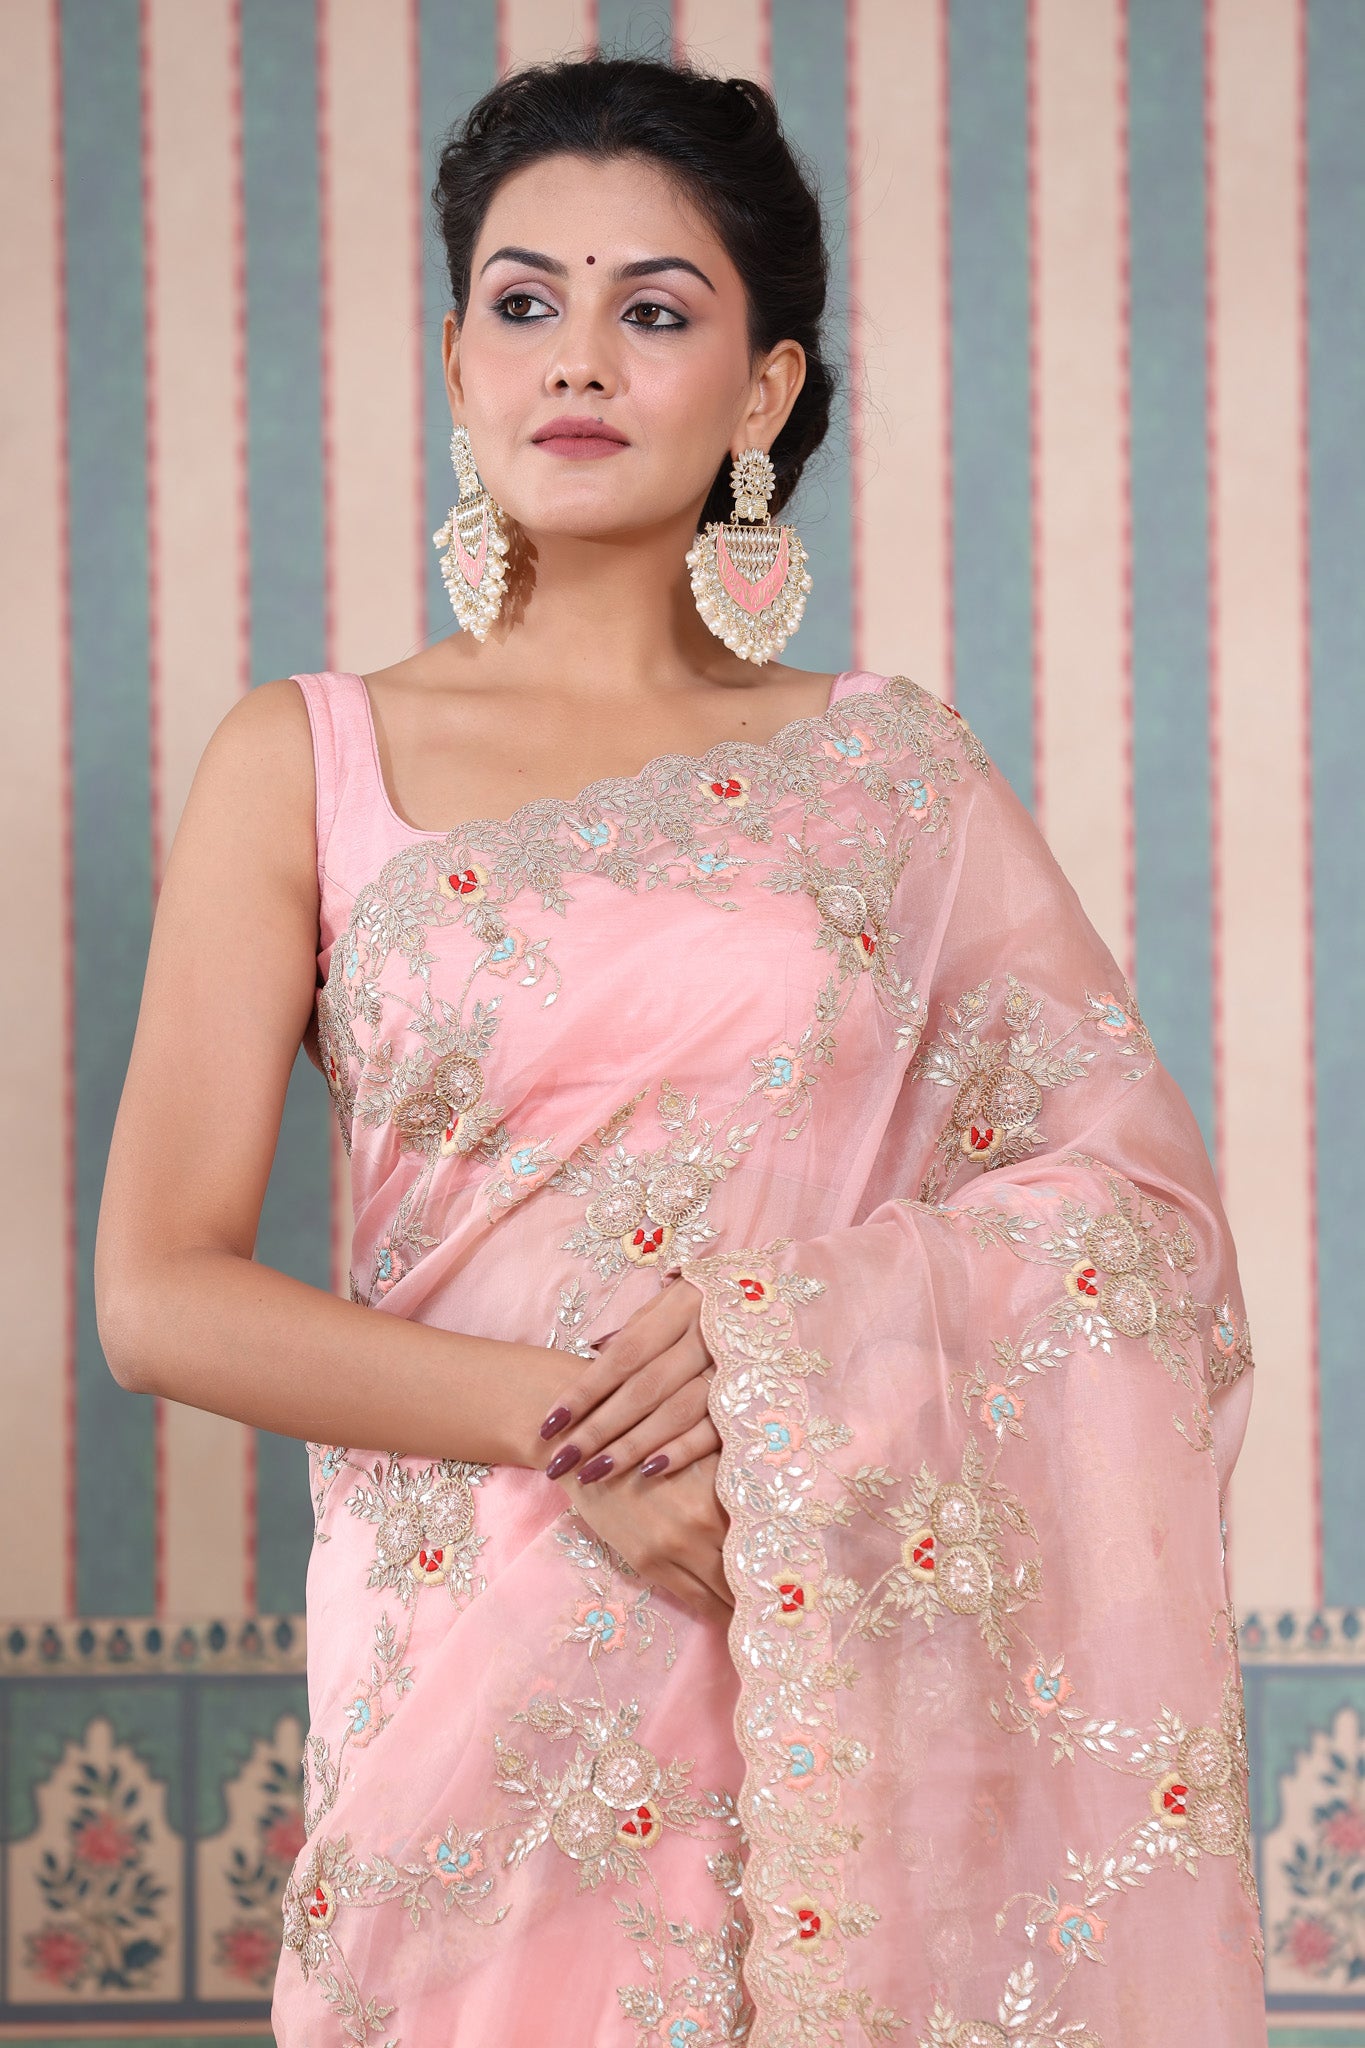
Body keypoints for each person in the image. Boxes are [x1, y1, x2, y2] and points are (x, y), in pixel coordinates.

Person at [95, 51, 1269, 2048]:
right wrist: (591, 1438)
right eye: (521, 301)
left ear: (761, 392)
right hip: (459, 1659)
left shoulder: (888, 774)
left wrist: (775, 1407)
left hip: (795, 1620)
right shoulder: (305, 757)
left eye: (653, 310)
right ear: (456, 363)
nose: (576, 357)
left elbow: (1136, 1220)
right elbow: (160, 1295)